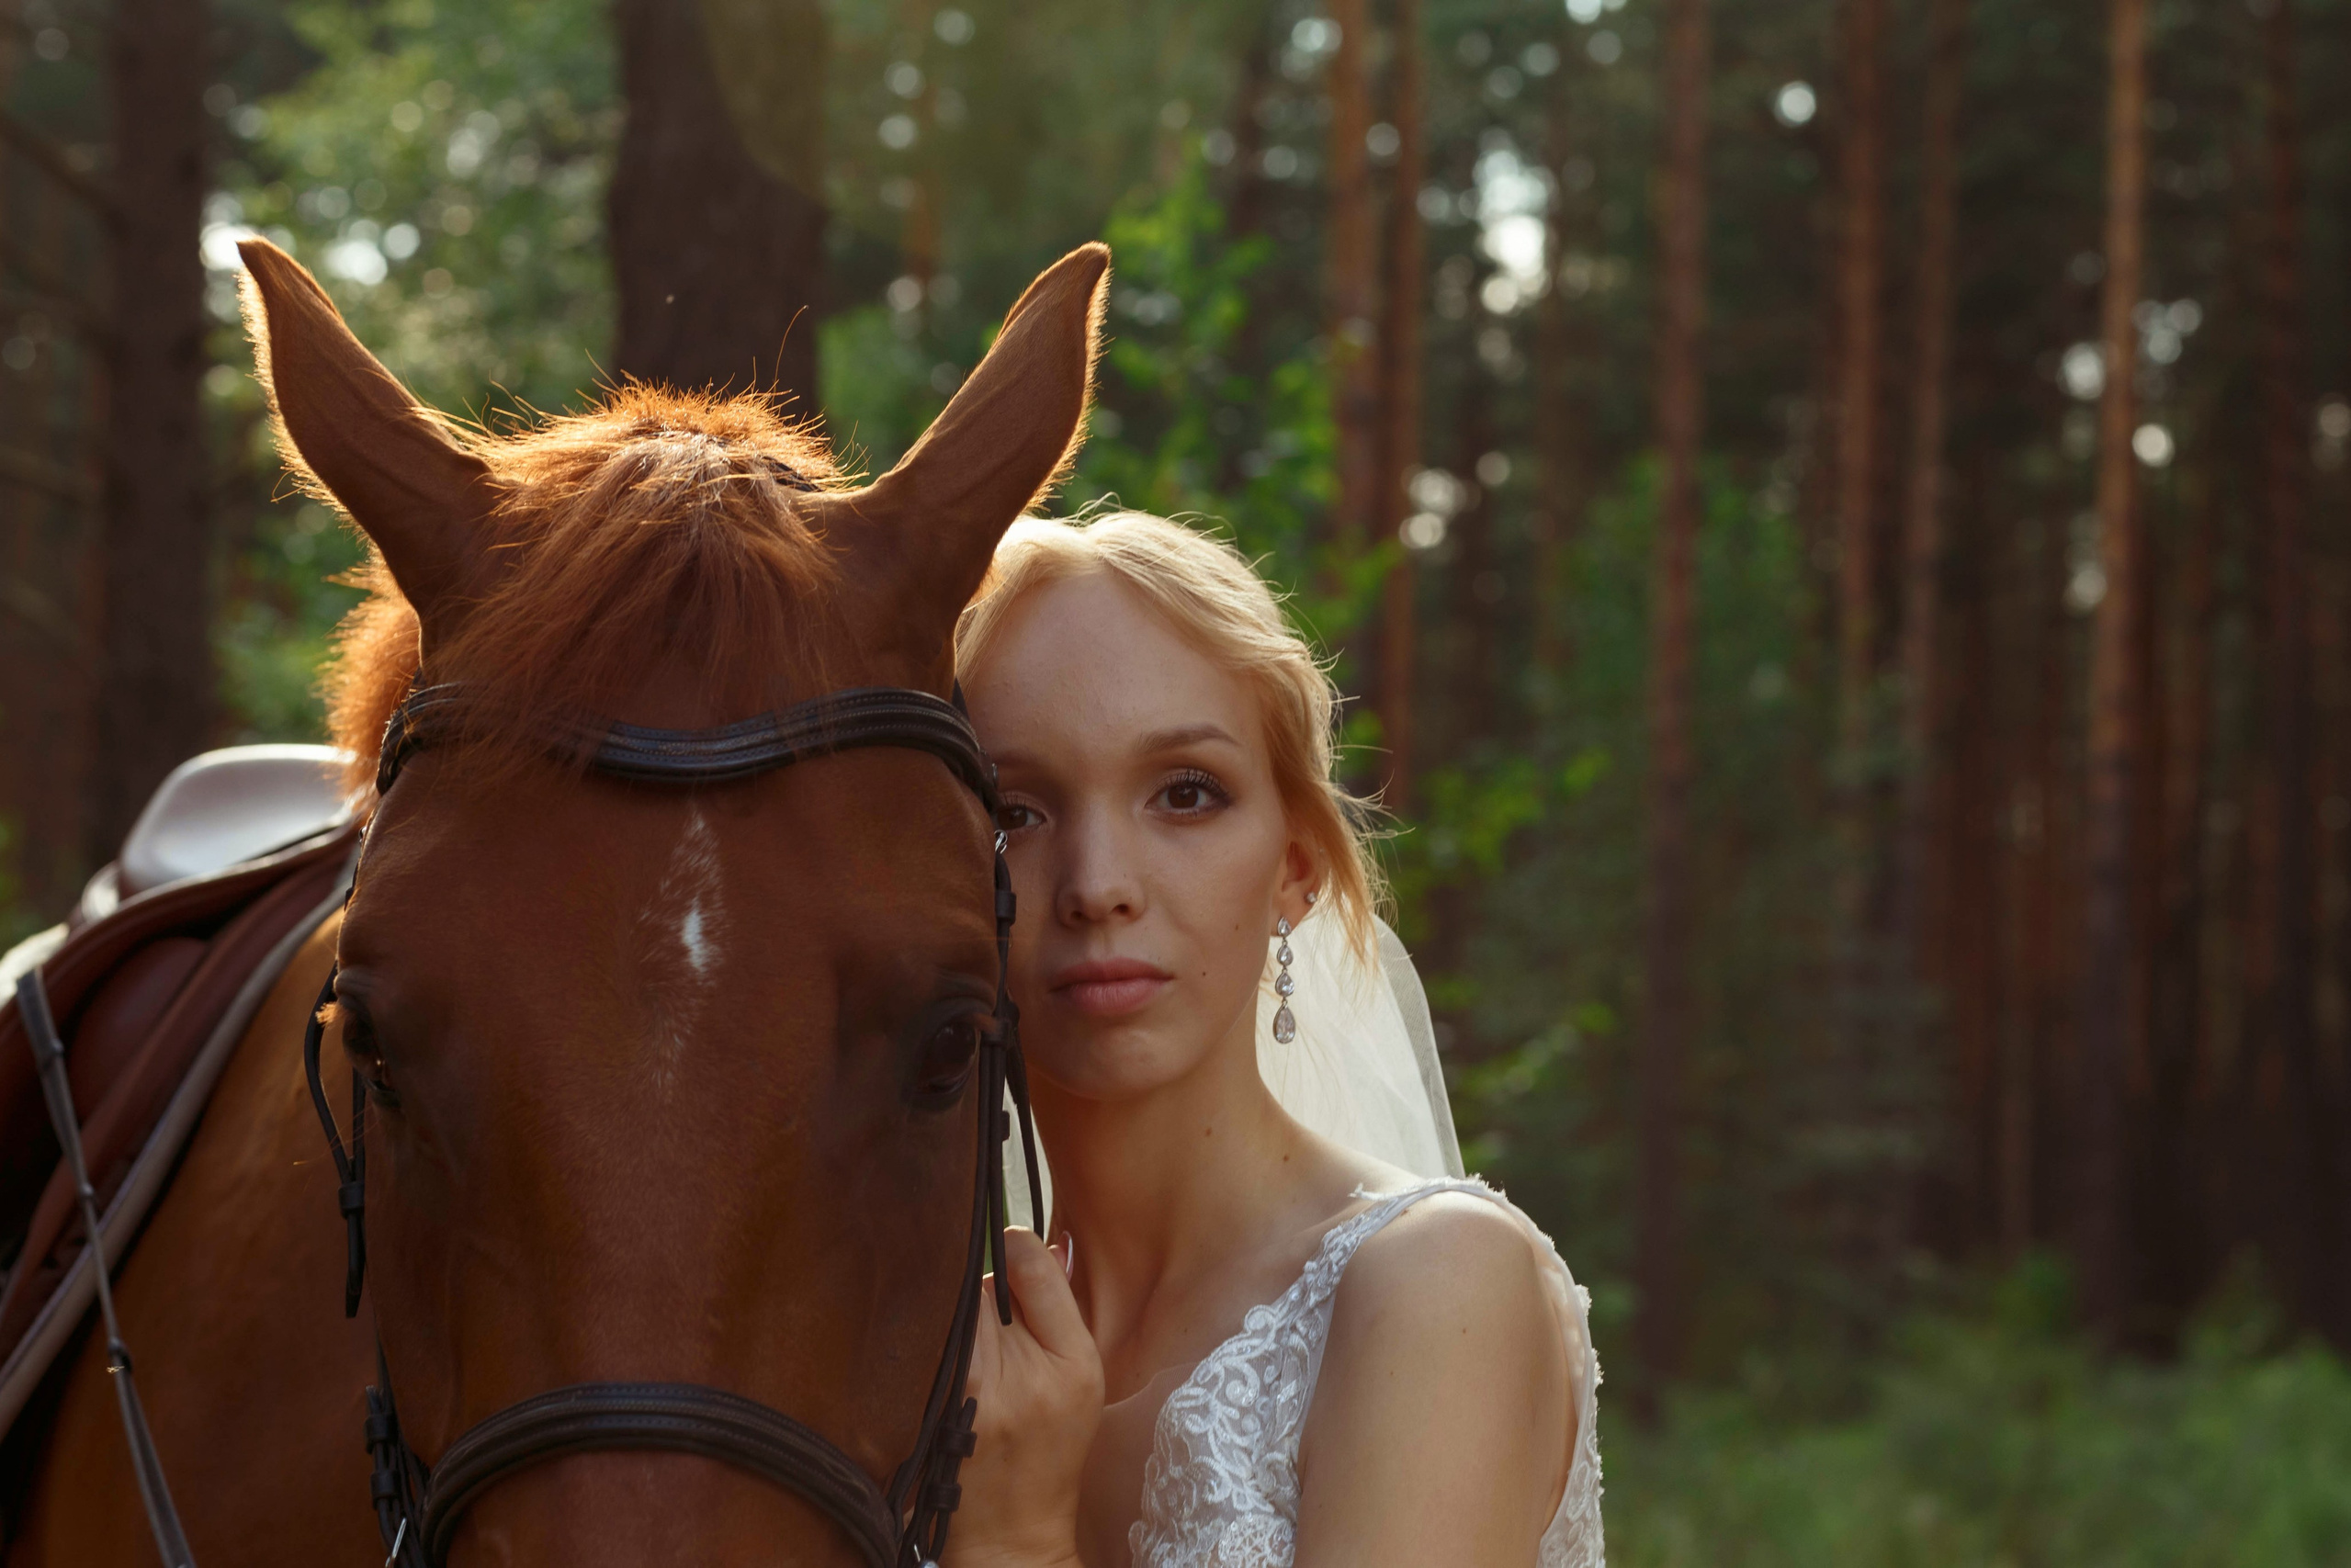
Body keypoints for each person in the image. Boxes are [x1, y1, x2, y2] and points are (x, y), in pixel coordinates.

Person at [940, 512, 1603, 1568]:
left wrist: (1016, 1543)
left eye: (1186, 794)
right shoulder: (940, 1357)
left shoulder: (1434, 1286)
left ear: (1295, 868)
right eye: (1015, 811)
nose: (1099, 886)